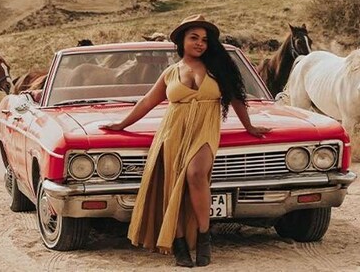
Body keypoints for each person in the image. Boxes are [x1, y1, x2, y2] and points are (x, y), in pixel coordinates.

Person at [100, 14, 271, 267]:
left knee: (195, 174)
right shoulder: (170, 73)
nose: (200, 43)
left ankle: (204, 237)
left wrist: (250, 126)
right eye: (194, 38)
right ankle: (179, 244)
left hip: (205, 129)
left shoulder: (218, 68)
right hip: (172, 131)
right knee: (172, 187)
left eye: (204, 39)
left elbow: (236, 99)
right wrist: (121, 124)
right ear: (182, 41)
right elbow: (147, 101)